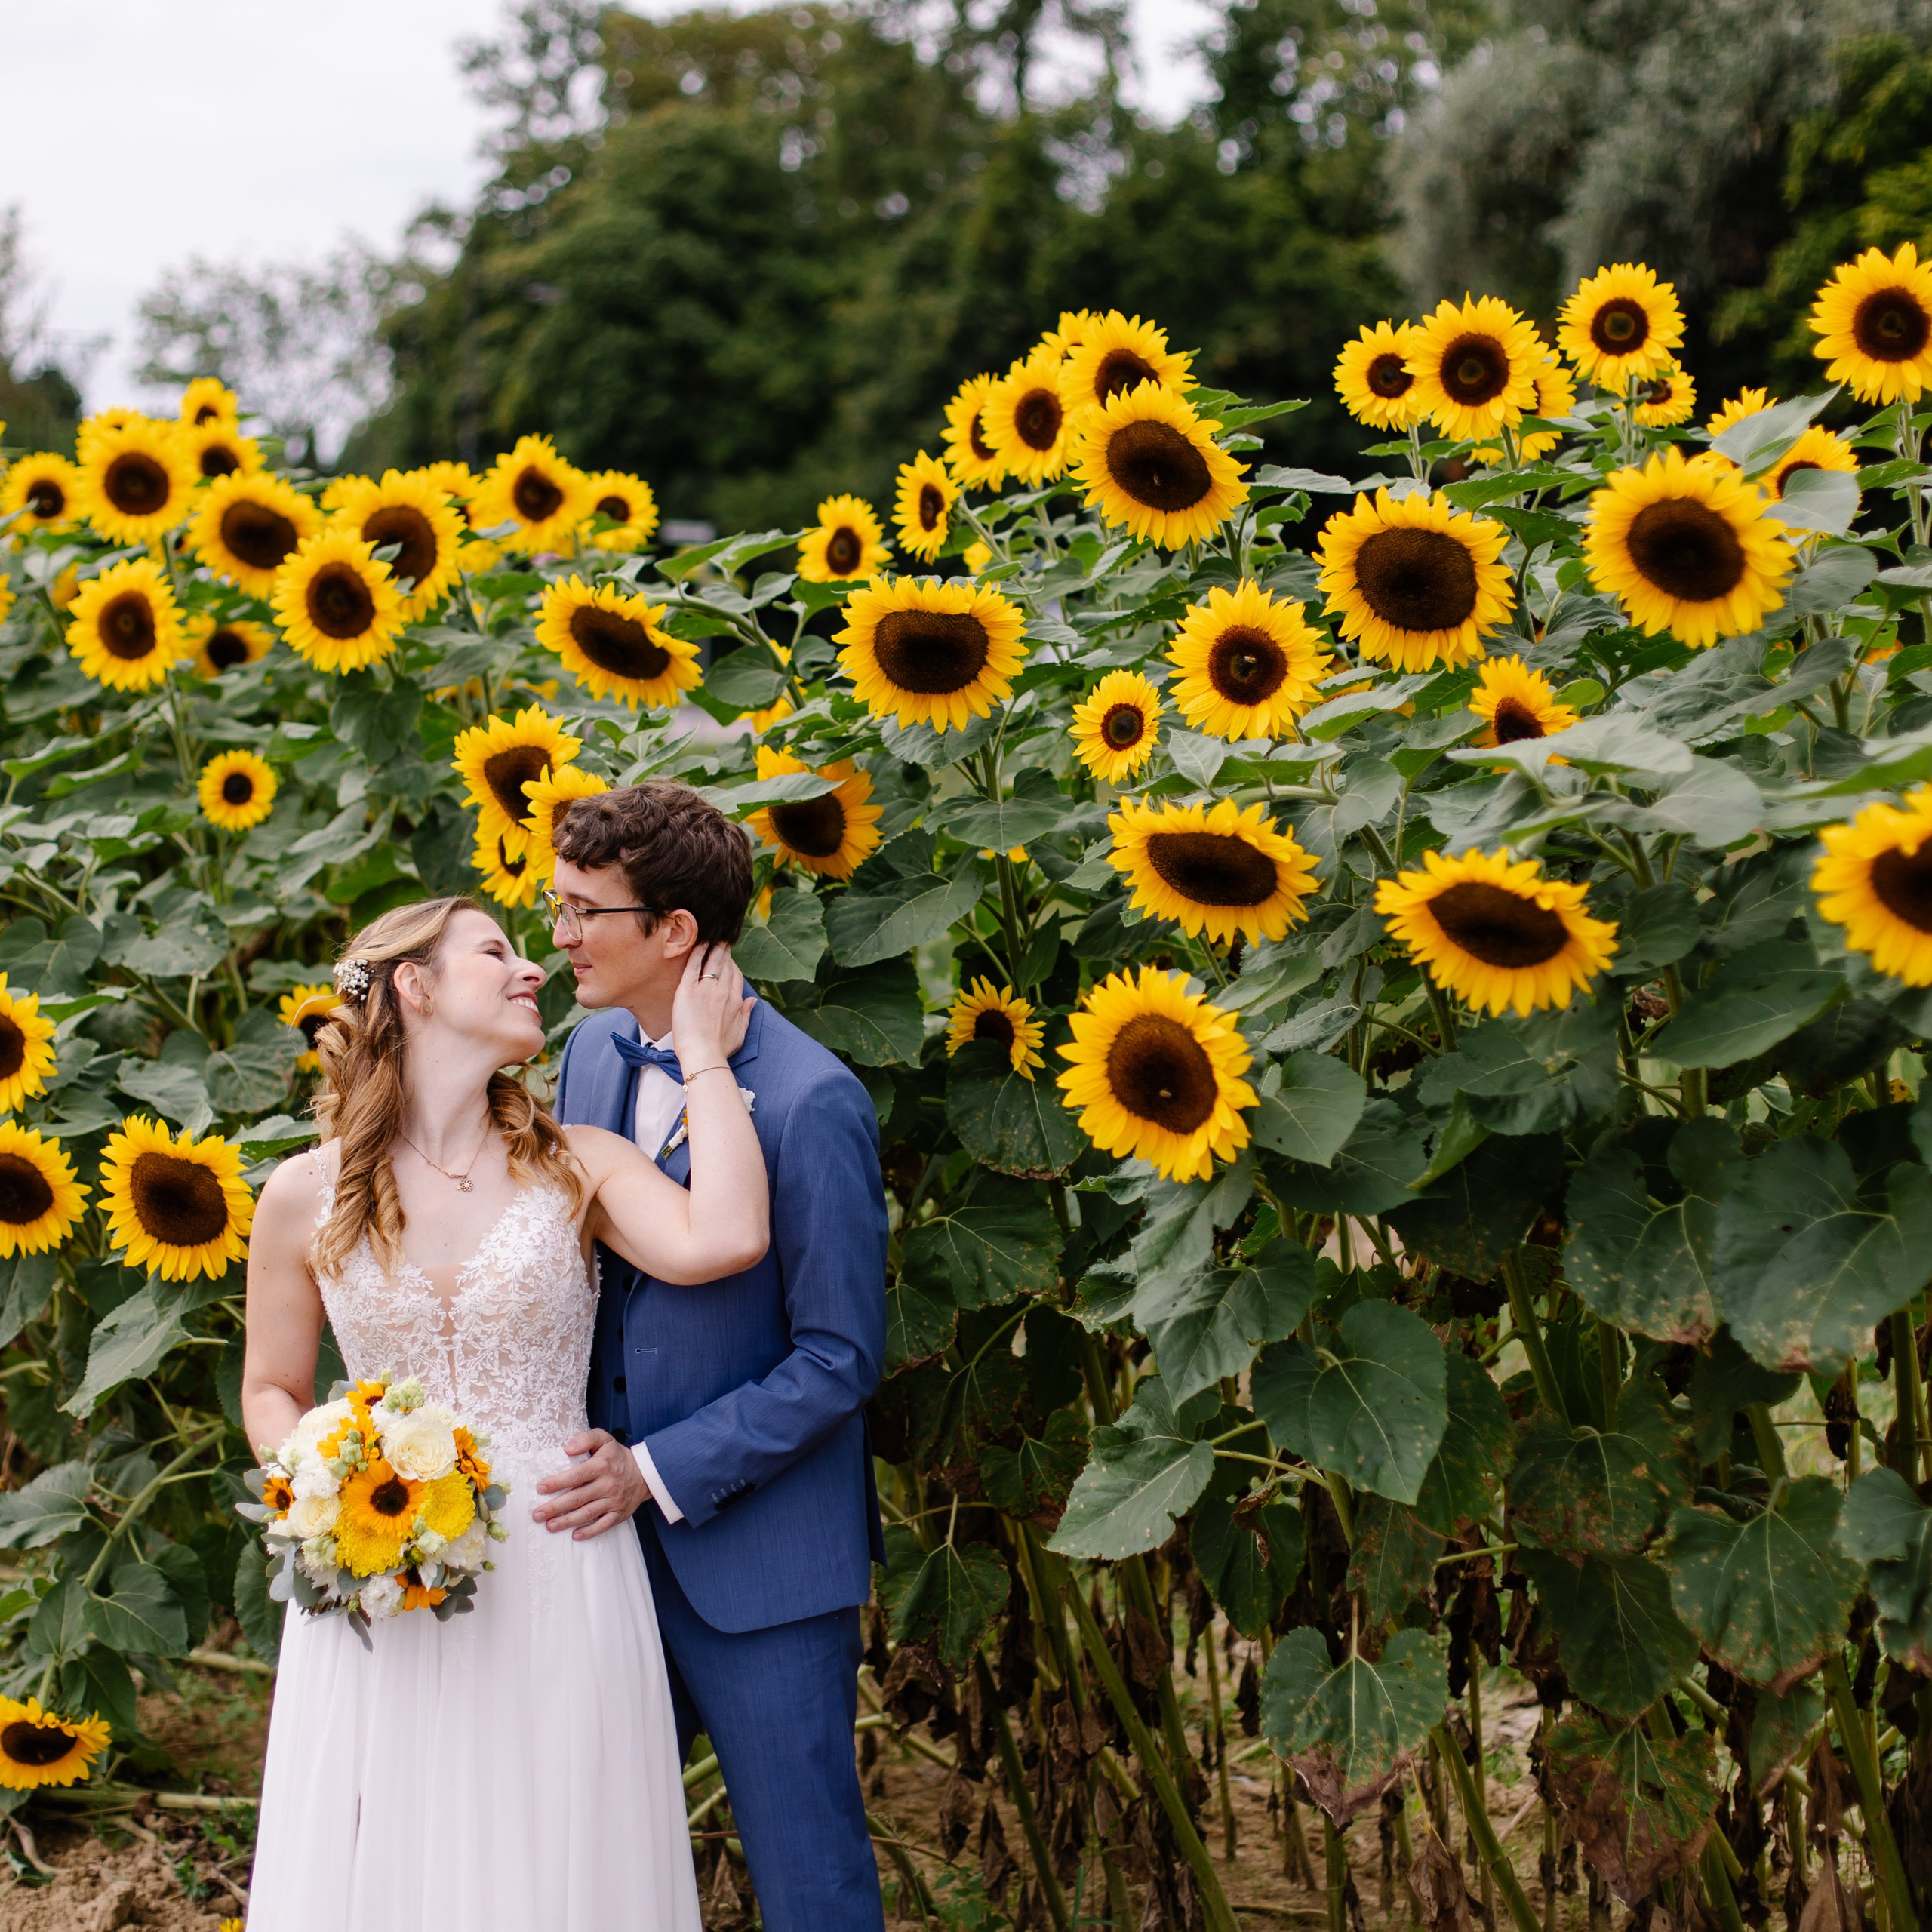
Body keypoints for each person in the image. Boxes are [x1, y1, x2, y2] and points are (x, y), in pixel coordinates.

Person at [242, 892, 764, 1931]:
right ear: (416, 986)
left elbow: (727, 1237)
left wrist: (704, 1056)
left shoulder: (576, 1163)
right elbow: (272, 1390)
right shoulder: (305, 1193)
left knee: (551, 1857)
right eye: (498, 953)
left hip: (558, 1563)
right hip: (377, 1572)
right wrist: (325, 1480)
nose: (533, 969)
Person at [540, 781, 888, 1932]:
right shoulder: (589, 1052)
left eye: (588, 911)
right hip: (595, 1551)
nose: (564, 937)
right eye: (558, 906)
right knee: (584, 1855)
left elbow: (839, 1359)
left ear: (676, 933)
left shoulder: (810, 1100)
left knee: (809, 1882)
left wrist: (657, 1469)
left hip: (764, 1568)